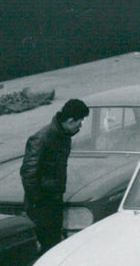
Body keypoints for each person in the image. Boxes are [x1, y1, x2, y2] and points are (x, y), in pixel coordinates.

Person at [20, 98, 89, 252]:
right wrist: (38, 201)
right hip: (41, 206)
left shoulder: (64, 136)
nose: (81, 125)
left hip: (54, 201)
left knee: (54, 245)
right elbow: (28, 174)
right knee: (46, 247)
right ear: (70, 121)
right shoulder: (41, 139)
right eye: (80, 122)